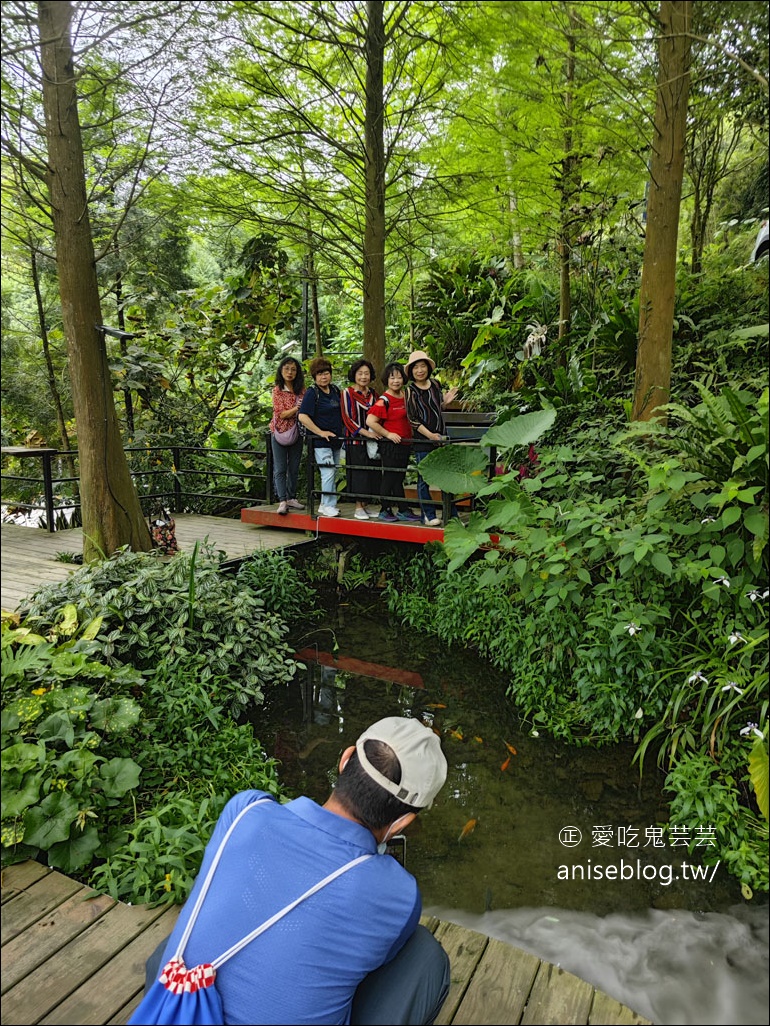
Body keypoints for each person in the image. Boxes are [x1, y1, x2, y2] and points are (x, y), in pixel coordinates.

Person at [141, 717, 450, 1026]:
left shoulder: (246, 809)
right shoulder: (399, 895)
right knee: (424, 954)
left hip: (177, 1005)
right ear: (403, 822)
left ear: (345, 759)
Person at [405, 350, 458, 526]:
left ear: (428, 368)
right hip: (423, 440)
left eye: (422, 366)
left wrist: (446, 402)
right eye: (416, 367)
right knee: (424, 477)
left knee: (447, 476)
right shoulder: (410, 391)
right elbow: (412, 419)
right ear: (411, 371)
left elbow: (437, 406)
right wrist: (429, 436)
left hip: (441, 436)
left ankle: (451, 515)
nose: (420, 370)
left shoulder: (435, 384)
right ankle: (427, 515)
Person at [366, 363, 421, 523]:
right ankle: (385, 509)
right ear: (386, 380)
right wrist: (388, 434)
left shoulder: (405, 395)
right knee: (389, 476)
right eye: (392, 377)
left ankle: (403, 509)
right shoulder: (384, 400)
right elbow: (371, 420)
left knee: (399, 477)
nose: (396, 381)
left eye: (398, 377)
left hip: (404, 444)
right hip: (390, 446)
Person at [299, 357, 345, 517]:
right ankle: (328, 505)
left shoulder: (334, 390)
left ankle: (326, 504)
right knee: (328, 472)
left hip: (336, 440)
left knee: (333, 471)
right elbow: (303, 416)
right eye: (319, 374)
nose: (323, 377)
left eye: (326, 373)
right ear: (314, 376)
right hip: (320, 442)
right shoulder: (313, 393)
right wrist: (320, 432)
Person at [341, 359, 381, 521]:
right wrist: (365, 433)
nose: (363, 377)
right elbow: (347, 418)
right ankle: (358, 507)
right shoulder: (347, 393)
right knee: (359, 473)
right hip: (355, 440)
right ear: (354, 375)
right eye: (360, 373)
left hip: (373, 442)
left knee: (372, 473)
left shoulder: (374, 394)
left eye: (366, 373)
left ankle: (366, 506)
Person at [270, 356, 306, 515]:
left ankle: (292, 497)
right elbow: (281, 414)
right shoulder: (277, 390)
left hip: (297, 432)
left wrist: (296, 410)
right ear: (281, 370)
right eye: (286, 369)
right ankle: (282, 500)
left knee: (294, 467)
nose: (290, 372)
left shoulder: (302, 390)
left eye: (293, 369)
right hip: (279, 432)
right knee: (280, 467)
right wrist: (297, 408)